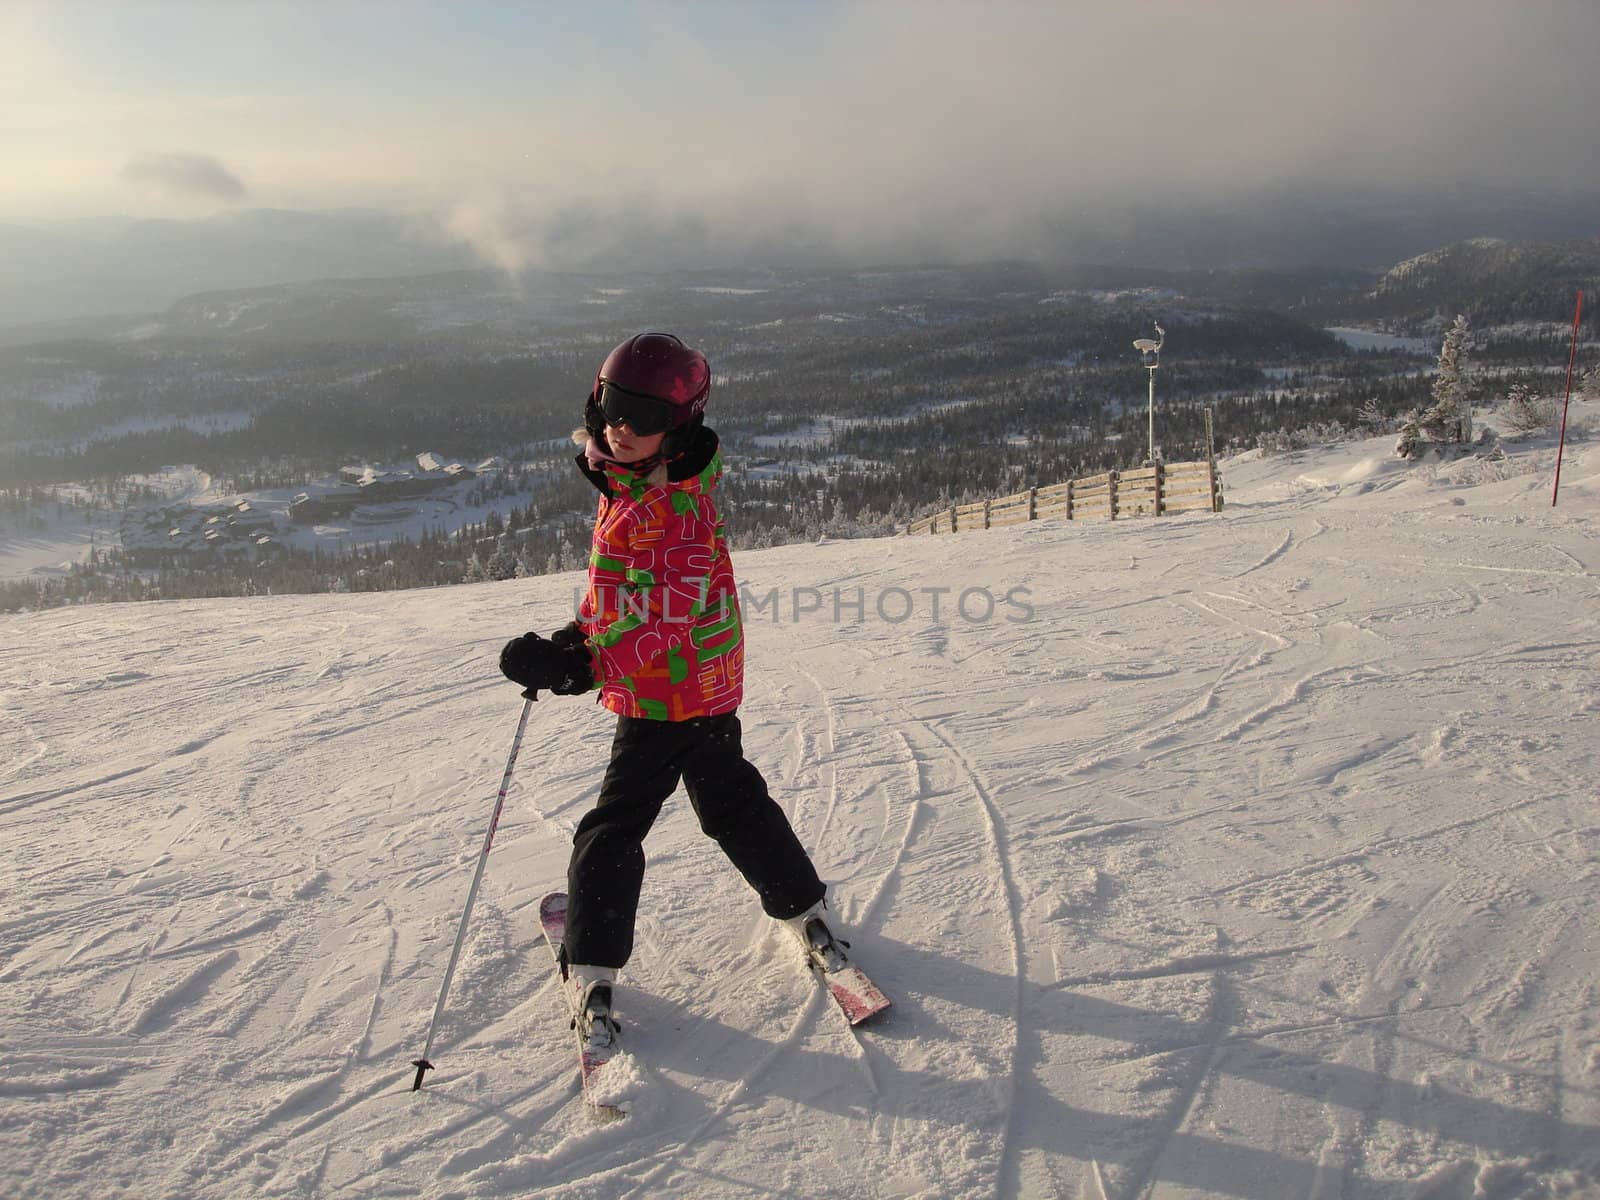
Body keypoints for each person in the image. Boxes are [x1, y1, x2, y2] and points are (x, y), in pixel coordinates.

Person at [498, 331, 844, 1051]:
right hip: (703, 685)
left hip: (667, 692)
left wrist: (580, 666)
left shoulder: (675, 512)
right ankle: (802, 905)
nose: (623, 426)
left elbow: (661, 617)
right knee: (731, 803)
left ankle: (591, 964)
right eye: (616, 405)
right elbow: (621, 596)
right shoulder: (637, 485)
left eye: (646, 416)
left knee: (615, 825)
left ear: (677, 428)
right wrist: (576, 636)